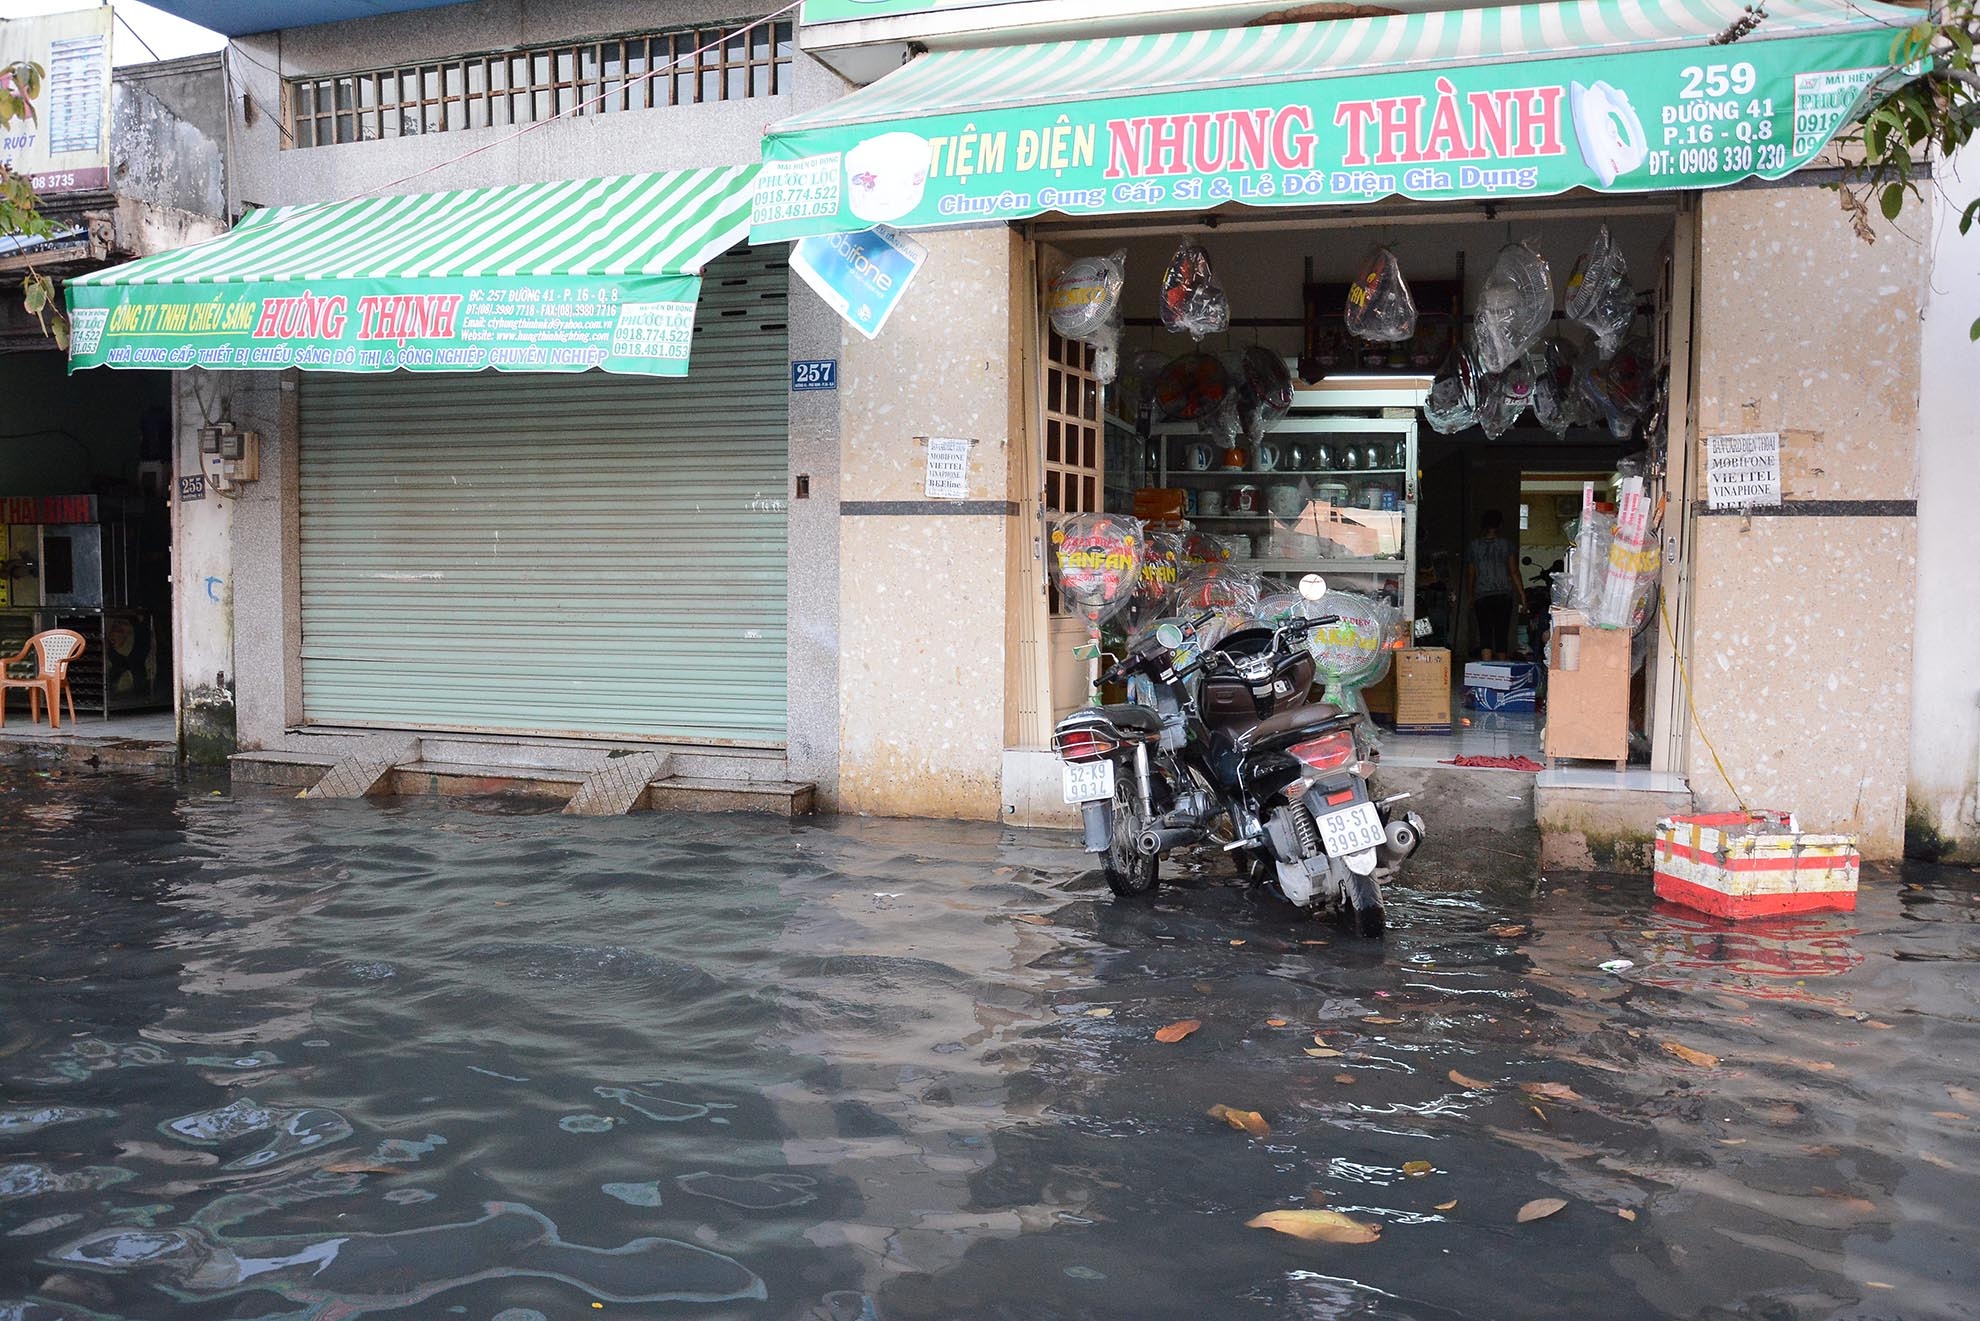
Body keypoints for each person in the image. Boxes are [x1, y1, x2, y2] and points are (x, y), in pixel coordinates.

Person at [1463, 509, 1523, 660]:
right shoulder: (1506, 545)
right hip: (1504, 595)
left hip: (1482, 596)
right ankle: (1502, 671)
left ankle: (1487, 671)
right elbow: (1514, 571)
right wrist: (1523, 596)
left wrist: (1470, 596)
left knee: (1485, 633)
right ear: (1500, 525)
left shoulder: (1474, 546)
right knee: (1502, 633)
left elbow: (1471, 574)